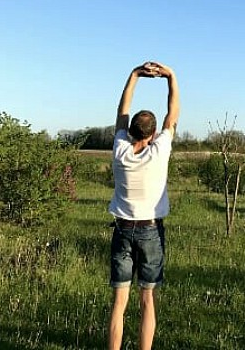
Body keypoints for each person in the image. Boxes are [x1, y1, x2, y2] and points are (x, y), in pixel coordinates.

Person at [107, 61, 180, 350]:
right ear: (152, 133)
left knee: (119, 303)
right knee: (148, 300)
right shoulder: (160, 151)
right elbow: (172, 115)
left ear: (132, 131)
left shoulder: (120, 149)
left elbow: (121, 112)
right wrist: (170, 77)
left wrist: (135, 74)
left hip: (122, 231)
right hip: (151, 232)